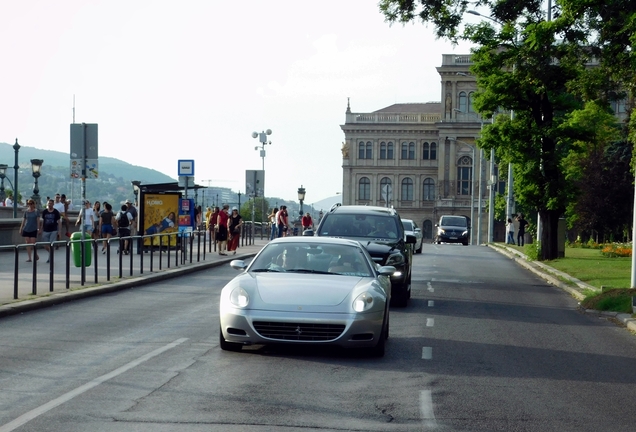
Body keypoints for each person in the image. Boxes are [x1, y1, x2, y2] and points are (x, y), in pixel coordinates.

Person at [39, 198, 61, 263]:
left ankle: (50, 257)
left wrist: (59, 231)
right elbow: (43, 221)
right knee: (45, 245)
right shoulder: (45, 212)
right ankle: (51, 253)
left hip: (53, 230)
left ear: (53, 204)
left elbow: (59, 221)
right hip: (46, 230)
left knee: (51, 244)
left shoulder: (56, 212)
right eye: (49, 203)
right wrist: (41, 228)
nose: (50, 205)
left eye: (51, 203)